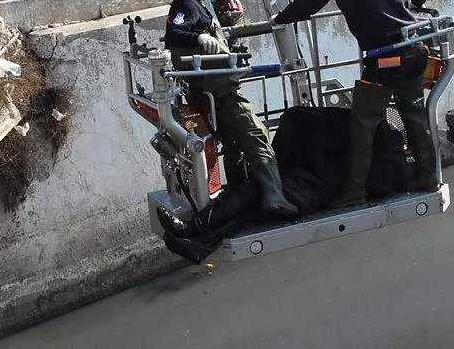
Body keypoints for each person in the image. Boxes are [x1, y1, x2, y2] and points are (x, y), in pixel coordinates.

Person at [272, 0, 437, 208]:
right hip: (414, 49)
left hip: (385, 57)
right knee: (414, 113)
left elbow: (308, 4)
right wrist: (416, 6)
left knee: (363, 122)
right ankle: (427, 175)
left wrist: (279, 19)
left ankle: (354, 191)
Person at [155, 105, 410, 264]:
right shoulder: (349, 144)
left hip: (301, 196)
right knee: (249, 211)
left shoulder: (343, 146)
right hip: (302, 195)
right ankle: (200, 244)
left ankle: (194, 228)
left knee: (252, 192)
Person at [164, 0, 299, 218]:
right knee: (255, 135)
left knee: (234, 144)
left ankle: (240, 199)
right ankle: (275, 198)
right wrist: (200, 37)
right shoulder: (188, 7)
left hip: (212, 90)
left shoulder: (194, 5)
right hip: (221, 92)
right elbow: (174, 35)